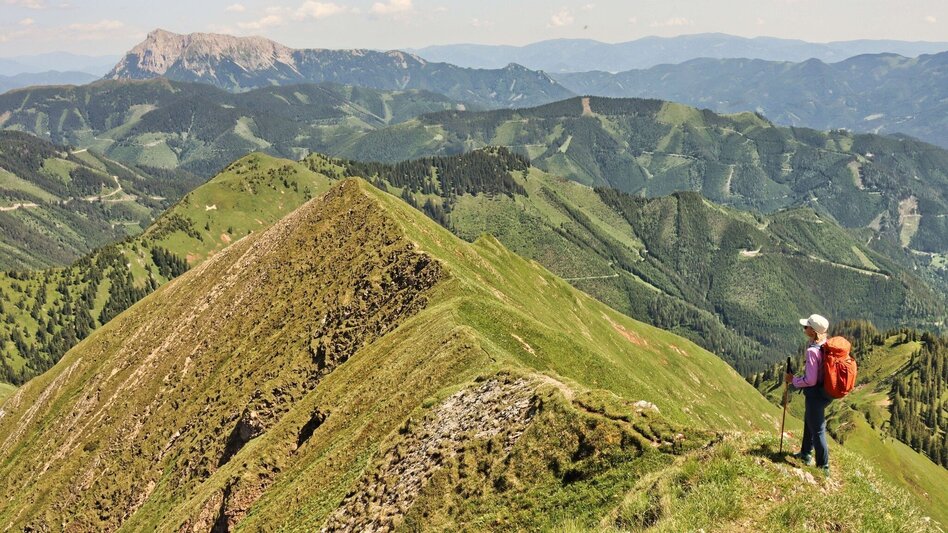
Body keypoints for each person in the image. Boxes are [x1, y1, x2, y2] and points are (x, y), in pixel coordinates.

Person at [785, 313, 832, 477]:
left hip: (815, 393)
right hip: (825, 392)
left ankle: (823, 467)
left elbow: (811, 380)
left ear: (813, 331)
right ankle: (805, 453)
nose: (804, 328)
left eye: (806, 327)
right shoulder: (825, 344)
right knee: (809, 420)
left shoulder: (813, 351)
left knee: (818, 429)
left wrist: (794, 380)